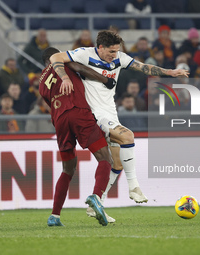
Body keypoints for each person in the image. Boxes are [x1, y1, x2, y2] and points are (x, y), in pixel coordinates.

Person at [49, 30, 189, 220]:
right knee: (128, 136)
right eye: (111, 52)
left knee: (117, 163)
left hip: (110, 113)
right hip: (95, 114)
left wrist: (169, 72)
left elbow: (144, 67)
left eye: (116, 51)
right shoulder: (84, 54)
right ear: (100, 47)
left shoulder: (120, 58)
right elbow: (55, 57)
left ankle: (96, 203)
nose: (114, 55)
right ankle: (134, 187)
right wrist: (64, 77)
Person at [40, 47, 118, 226]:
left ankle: (54, 216)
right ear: (54, 56)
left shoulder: (41, 83)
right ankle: (96, 197)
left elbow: (50, 105)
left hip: (60, 122)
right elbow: (81, 69)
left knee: (68, 169)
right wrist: (105, 80)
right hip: (78, 112)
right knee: (105, 158)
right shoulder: (62, 63)